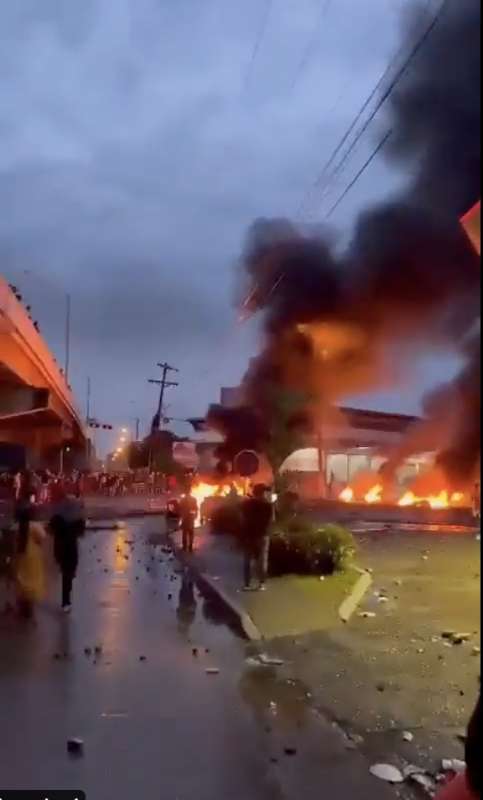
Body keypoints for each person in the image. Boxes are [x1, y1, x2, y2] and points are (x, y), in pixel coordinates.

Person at [49, 490, 86, 612]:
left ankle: (66, 600)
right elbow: (81, 532)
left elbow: (51, 529)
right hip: (71, 548)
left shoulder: (58, 515)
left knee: (66, 573)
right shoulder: (76, 517)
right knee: (68, 574)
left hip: (60, 548)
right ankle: (66, 601)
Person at [14, 500, 46, 620]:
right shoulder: (34, 526)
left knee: (21, 578)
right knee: (32, 579)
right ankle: (28, 607)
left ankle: (22, 606)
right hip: (33, 555)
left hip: (20, 554)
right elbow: (42, 537)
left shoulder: (17, 526)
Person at [240, 483, 273, 591]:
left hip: (249, 535)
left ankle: (247, 584)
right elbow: (271, 520)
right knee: (261, 560)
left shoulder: (246, 504)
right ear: (263, 492)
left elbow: (242, 517)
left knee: (247, 560)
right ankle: (261, 583)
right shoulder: (268, 505)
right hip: (262, 535)